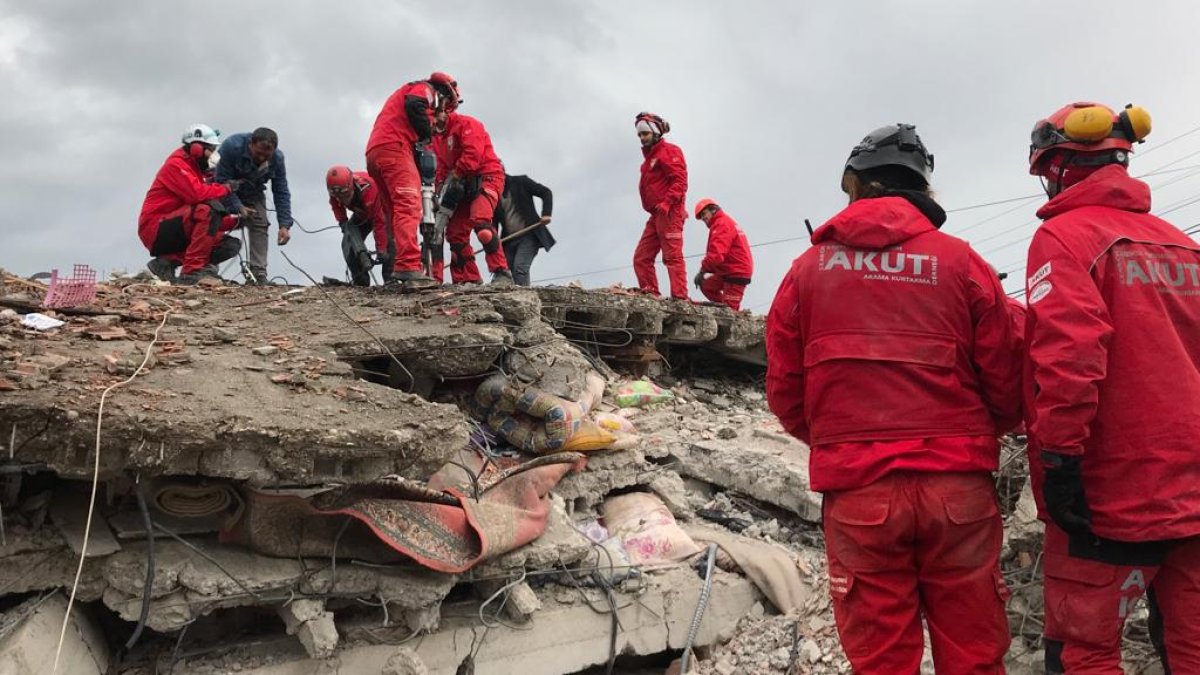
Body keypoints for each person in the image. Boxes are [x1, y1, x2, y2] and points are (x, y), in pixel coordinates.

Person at [766, 123, 1021, 673]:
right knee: (975, 653)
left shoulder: (806, 271)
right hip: (957, 492)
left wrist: (842, 441)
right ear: (922, 190)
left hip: (860, 495)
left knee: (882, 659)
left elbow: (786, 392)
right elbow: (1006, 378)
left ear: (853, 184)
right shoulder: (962, 263)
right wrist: (973, 435)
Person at [1021, 101, 1200, 673]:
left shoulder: (1064, 238)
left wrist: (1060, 461)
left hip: (1110, 497)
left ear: (1061, 167)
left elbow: (1071, 358)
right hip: (1194, 494)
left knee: (1083, 651)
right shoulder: (1183, 245)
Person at [365, 71, 460, 287]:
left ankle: (395, 269)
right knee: (409, 206)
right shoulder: (426, 90)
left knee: (394, 212)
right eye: (443, 110)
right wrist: (427, 132)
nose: (441, 116)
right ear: (445, 94)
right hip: (394, 148)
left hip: (376, 152)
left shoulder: (403, 98)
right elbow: (415, 104)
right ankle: (408, 265)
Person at [138, 124, 242, 285]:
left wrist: (236, 221)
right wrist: (225, 189)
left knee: (228, 245)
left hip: (175, 225)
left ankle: (166, 262)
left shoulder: (194, 170)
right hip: (155, 228)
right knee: (209, 208)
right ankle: (192, 271)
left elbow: (205, 226)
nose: (212, 155)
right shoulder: (176, 165)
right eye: (210, 149)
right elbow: (198, 195)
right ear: (196, 148)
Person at [431, 108, 512, 285]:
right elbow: (441, 169)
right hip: (460, 184)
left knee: (481, 222)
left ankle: (502, 272)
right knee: (455, 234)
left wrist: (454, 175)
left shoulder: (467, 124)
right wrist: (439, 192)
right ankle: (468, 279)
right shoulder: (436, 140)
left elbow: (473, 154)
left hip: (486, 176)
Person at [213, 127, 292, 284]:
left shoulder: (277, 159)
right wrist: (237, 206)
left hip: (253, 193)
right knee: (211, 219)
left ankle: (258, 274)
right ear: (250, 144)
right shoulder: (231, 147)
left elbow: (281, 191)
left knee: (260, 223)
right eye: (258, 153)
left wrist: (284, 225)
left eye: (266, 155)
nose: (262, 158)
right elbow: (220, 180)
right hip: (222, 190)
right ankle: (207, 268)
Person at [633, 112, 689, 299]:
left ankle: (680, 298)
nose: (642, 138)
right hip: (656, 214)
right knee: (641, 258)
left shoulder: (670, 151)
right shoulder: (649, 159)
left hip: (670, 212)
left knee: (672, 257)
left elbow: (680, 182)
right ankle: (650, 293)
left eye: (645, 134)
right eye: (640, 135)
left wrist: (667, 203)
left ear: (655, 133)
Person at [326, 165, 390, 286]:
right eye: (338, 196)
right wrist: (343, 222)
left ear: (351, 186)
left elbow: (379, 221)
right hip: (361, 213)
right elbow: (336, 206)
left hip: (382, 211)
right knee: (348, 243)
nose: (342, 199)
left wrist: (381, 249)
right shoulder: (335, 191)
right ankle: (361, 282)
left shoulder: (369, 189)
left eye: (345, 195)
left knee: (389, 245)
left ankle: (390, 280)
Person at [494, 174, 554, 286]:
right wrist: (492, 238)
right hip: (509, 239)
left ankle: (523, 297)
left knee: (520, 268)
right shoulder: (494, 193)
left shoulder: (520, 182)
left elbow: (546, 192)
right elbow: (493, 221)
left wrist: (546, 213)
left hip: (529, 235)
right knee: (505, 272)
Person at [692, 198, 752, 310]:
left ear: (713, 209)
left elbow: (717, 255)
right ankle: (723, 308)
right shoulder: (721, 223)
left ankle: (728, 311)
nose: (703, 218)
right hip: (728, 270)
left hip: (736, 272)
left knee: (730, 313)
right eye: (701, 217)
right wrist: (704, 271)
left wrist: (702, 270)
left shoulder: (722, 224)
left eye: (704, 214)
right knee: (707, 286)